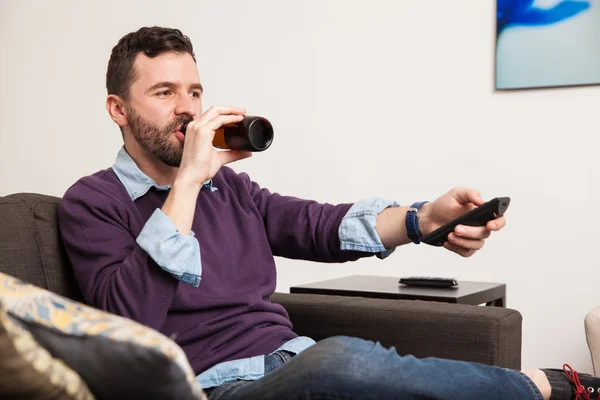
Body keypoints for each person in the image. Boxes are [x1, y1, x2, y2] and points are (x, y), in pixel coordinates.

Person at [57, 26, 598, 400]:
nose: (188, 108)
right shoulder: (92, 203)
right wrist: (191, 181)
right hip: (217, 386)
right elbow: (129, 320)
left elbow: (322, 225)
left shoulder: (233, 191)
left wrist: (424, 218)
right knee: (344, 361)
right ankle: (544, 387)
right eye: (165, 91)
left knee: (340, 364)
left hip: (292, 360)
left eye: (195, 91)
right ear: (118, 109)